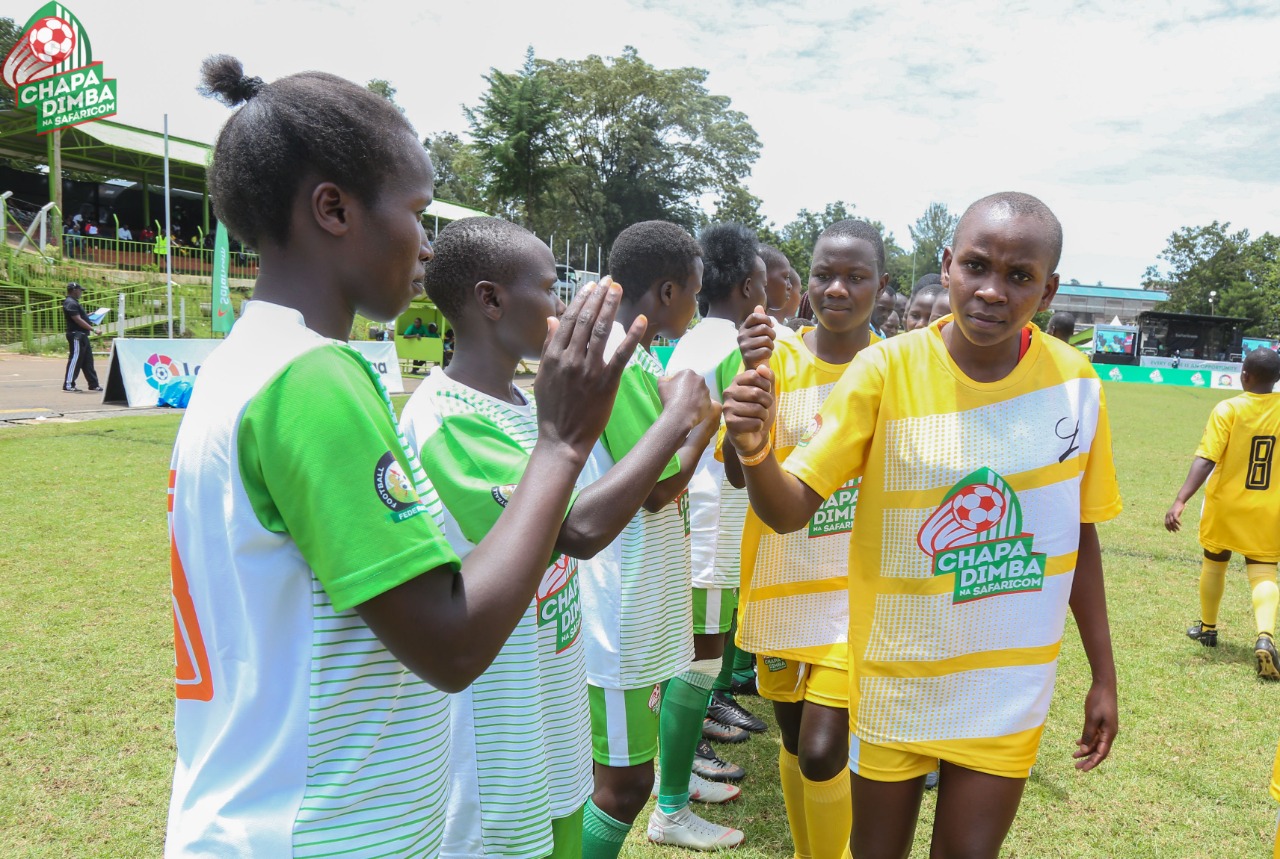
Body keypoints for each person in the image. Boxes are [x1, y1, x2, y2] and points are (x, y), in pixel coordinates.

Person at [165, 55, 642, 858]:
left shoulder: (244, 365)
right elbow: (453, 642)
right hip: (315, 834)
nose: (427, 244)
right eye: (418, 212)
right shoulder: (312, 379)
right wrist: (562, 441)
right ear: (333, 209)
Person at [722, 192, 1121, 859]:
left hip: (1006, 681)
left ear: (1048, 289)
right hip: (894, 675)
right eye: (976, 265)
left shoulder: (1075, 383)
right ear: (948, 264)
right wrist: (756, 448)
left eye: (1019, 276)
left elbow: (1078, 535)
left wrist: (1103, 674)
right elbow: (789, 508)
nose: (993, 290)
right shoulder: (887, 369)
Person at [400, 217, 710, 859]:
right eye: (549, 289)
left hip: (551, 694)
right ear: (490, 300)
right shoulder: (447, 419)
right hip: (499, 731)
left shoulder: (522, 401)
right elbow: (577, 528)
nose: (563, 307)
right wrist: (680, 418)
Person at [724, 219, 887, 859]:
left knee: (824, 751)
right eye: (823, 274)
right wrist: (750, 396)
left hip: (859, 594)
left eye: (855, 276)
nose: (836, 288)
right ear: (802, 283)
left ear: (882, 285)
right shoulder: (777, 358)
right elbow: (740, 474)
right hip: (782, 584)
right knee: (793, 745)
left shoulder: (893, 368)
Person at [576, 220, 732, 855]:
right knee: (619, 783)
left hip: (631, 590)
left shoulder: (629, 354)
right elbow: (661, 488)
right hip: (618, 598)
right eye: (694, 293)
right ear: (667, 291)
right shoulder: (624, 360)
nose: (696, 309)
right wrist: (700, 421)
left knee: (621, 776)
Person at [661, 223, 767, 822]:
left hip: (699, 516)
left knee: (698, 652)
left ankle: (680, 765)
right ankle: (673, 793)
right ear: (751, 284)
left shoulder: (699, 336)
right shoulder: (732, 345)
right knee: (700, 657)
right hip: (711, 521)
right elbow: (730, 450)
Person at [1165, 346, 1280, 679]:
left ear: (1244, 375)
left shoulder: (1228, 408)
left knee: (1214, 562)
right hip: (1269, 507)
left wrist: (1181, 499)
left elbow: (1206, 458)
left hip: (1225, 505)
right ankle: (1265, 636)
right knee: (1263, 572)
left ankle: (1208, 629)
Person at [62, 282, 101, 392]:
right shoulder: (70, 303)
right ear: (74, 290)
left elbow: (79, 317)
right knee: (75, 359)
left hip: (82, 335)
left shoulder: (74, 302)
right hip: (76, 335)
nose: (81, 293)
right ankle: (68, 385)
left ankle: (93, 384)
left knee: (88, 361)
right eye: (80, 290)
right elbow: (77, 319)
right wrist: (93, 329)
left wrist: (87, 316)